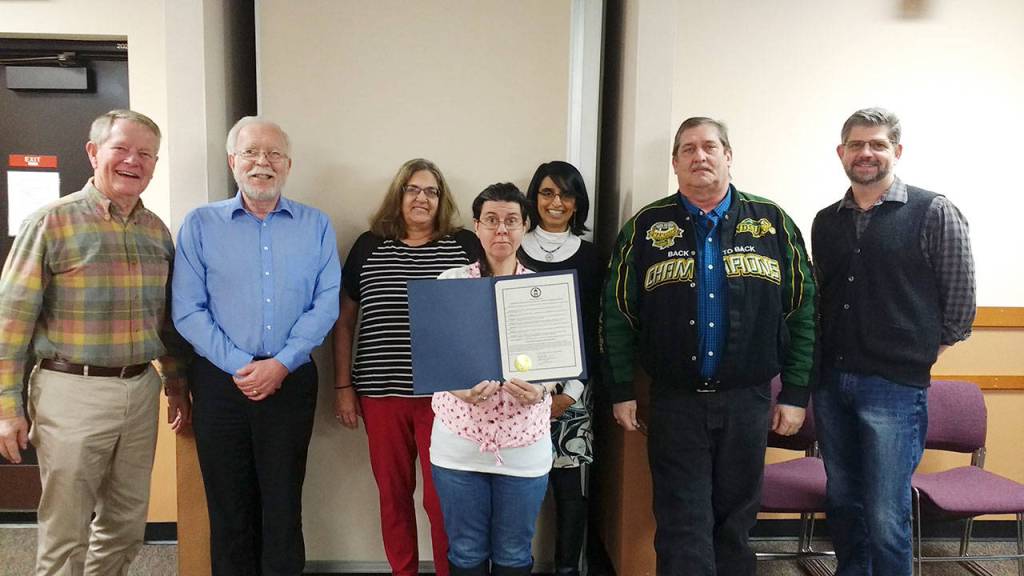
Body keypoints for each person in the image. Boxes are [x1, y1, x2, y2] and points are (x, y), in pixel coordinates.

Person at [602, 117, 816, 575]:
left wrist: (796, 394)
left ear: (728, 156)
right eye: (688, 149)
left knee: (736, 522)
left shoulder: (773, 223)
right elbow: (617, 315)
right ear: (675, 163)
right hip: (675, 404)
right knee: (682, 524)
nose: (699, 156)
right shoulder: (645, 227)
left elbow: (804, 313)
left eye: (709, 147)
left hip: (749, 401)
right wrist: (621, 388)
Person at [0, 109, 190, 575]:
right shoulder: (52, 222)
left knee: (125, 524)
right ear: (93, 152)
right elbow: (11, 321)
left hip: (140, 388)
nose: (133, 161)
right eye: (121, 149)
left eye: (145, 154)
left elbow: (164, 322)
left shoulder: (156, 232)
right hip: (70, 390)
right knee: (66, 530)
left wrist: (176, 382)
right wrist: (7, 407)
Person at [172, 116, 341, 576]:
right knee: (229, 507)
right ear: (233, 162)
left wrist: (282, 364)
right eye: (250, 152)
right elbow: (187, 309)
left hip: (291, 380)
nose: (261, 162)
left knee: (284, 504)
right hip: (220, 383)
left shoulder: (316, 225)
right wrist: (242, 365)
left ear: (288, 165)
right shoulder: (201, 224)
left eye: (273, 154)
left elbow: (326, 304)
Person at [811, 107, 975, 576]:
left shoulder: (933, 211)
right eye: (857, 145)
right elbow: (822, 299)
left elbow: (960, 307)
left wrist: (918, 353)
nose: (867, 153)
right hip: (832, 383)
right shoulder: (826, 221)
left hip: (895, 389)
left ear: (896, 152)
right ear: (841, 153)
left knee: (886, 513)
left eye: (877, 144)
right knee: (842, 501)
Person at [333, 158, 478, 576]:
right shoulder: (368, 246)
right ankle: (403, 571)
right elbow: (344, 321)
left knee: (442, 499)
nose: (421, 198)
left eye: (431, 191)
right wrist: (343, 386)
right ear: (398, 196)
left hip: (447, 398)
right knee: (393, 495)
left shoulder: (463, 245)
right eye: (413, 189)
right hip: (381, 394)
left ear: (442, 199)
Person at [431, 183, 568, 576]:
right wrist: (457, 387)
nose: (501, 230)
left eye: (511, 220)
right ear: (477, 227)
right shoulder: (451, 283)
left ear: (525, 226)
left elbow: (558, 363)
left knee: (512, 552)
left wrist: (541, 389)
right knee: (466, 551)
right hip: (459, 442)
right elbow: (435, 355)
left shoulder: (545, 290)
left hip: (524, 444)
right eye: (491, 220)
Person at [518, 161, 600, 576]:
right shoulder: (513, 249)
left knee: (569, 493)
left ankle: (568, 568)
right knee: (520, 491)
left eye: (566, 194)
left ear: (577, 202)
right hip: (514, 396)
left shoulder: (592, 257)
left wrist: (570, 392)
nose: (556, 202)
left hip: (572, 393)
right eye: (547, 192)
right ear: (534, 197)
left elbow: (595, 329)